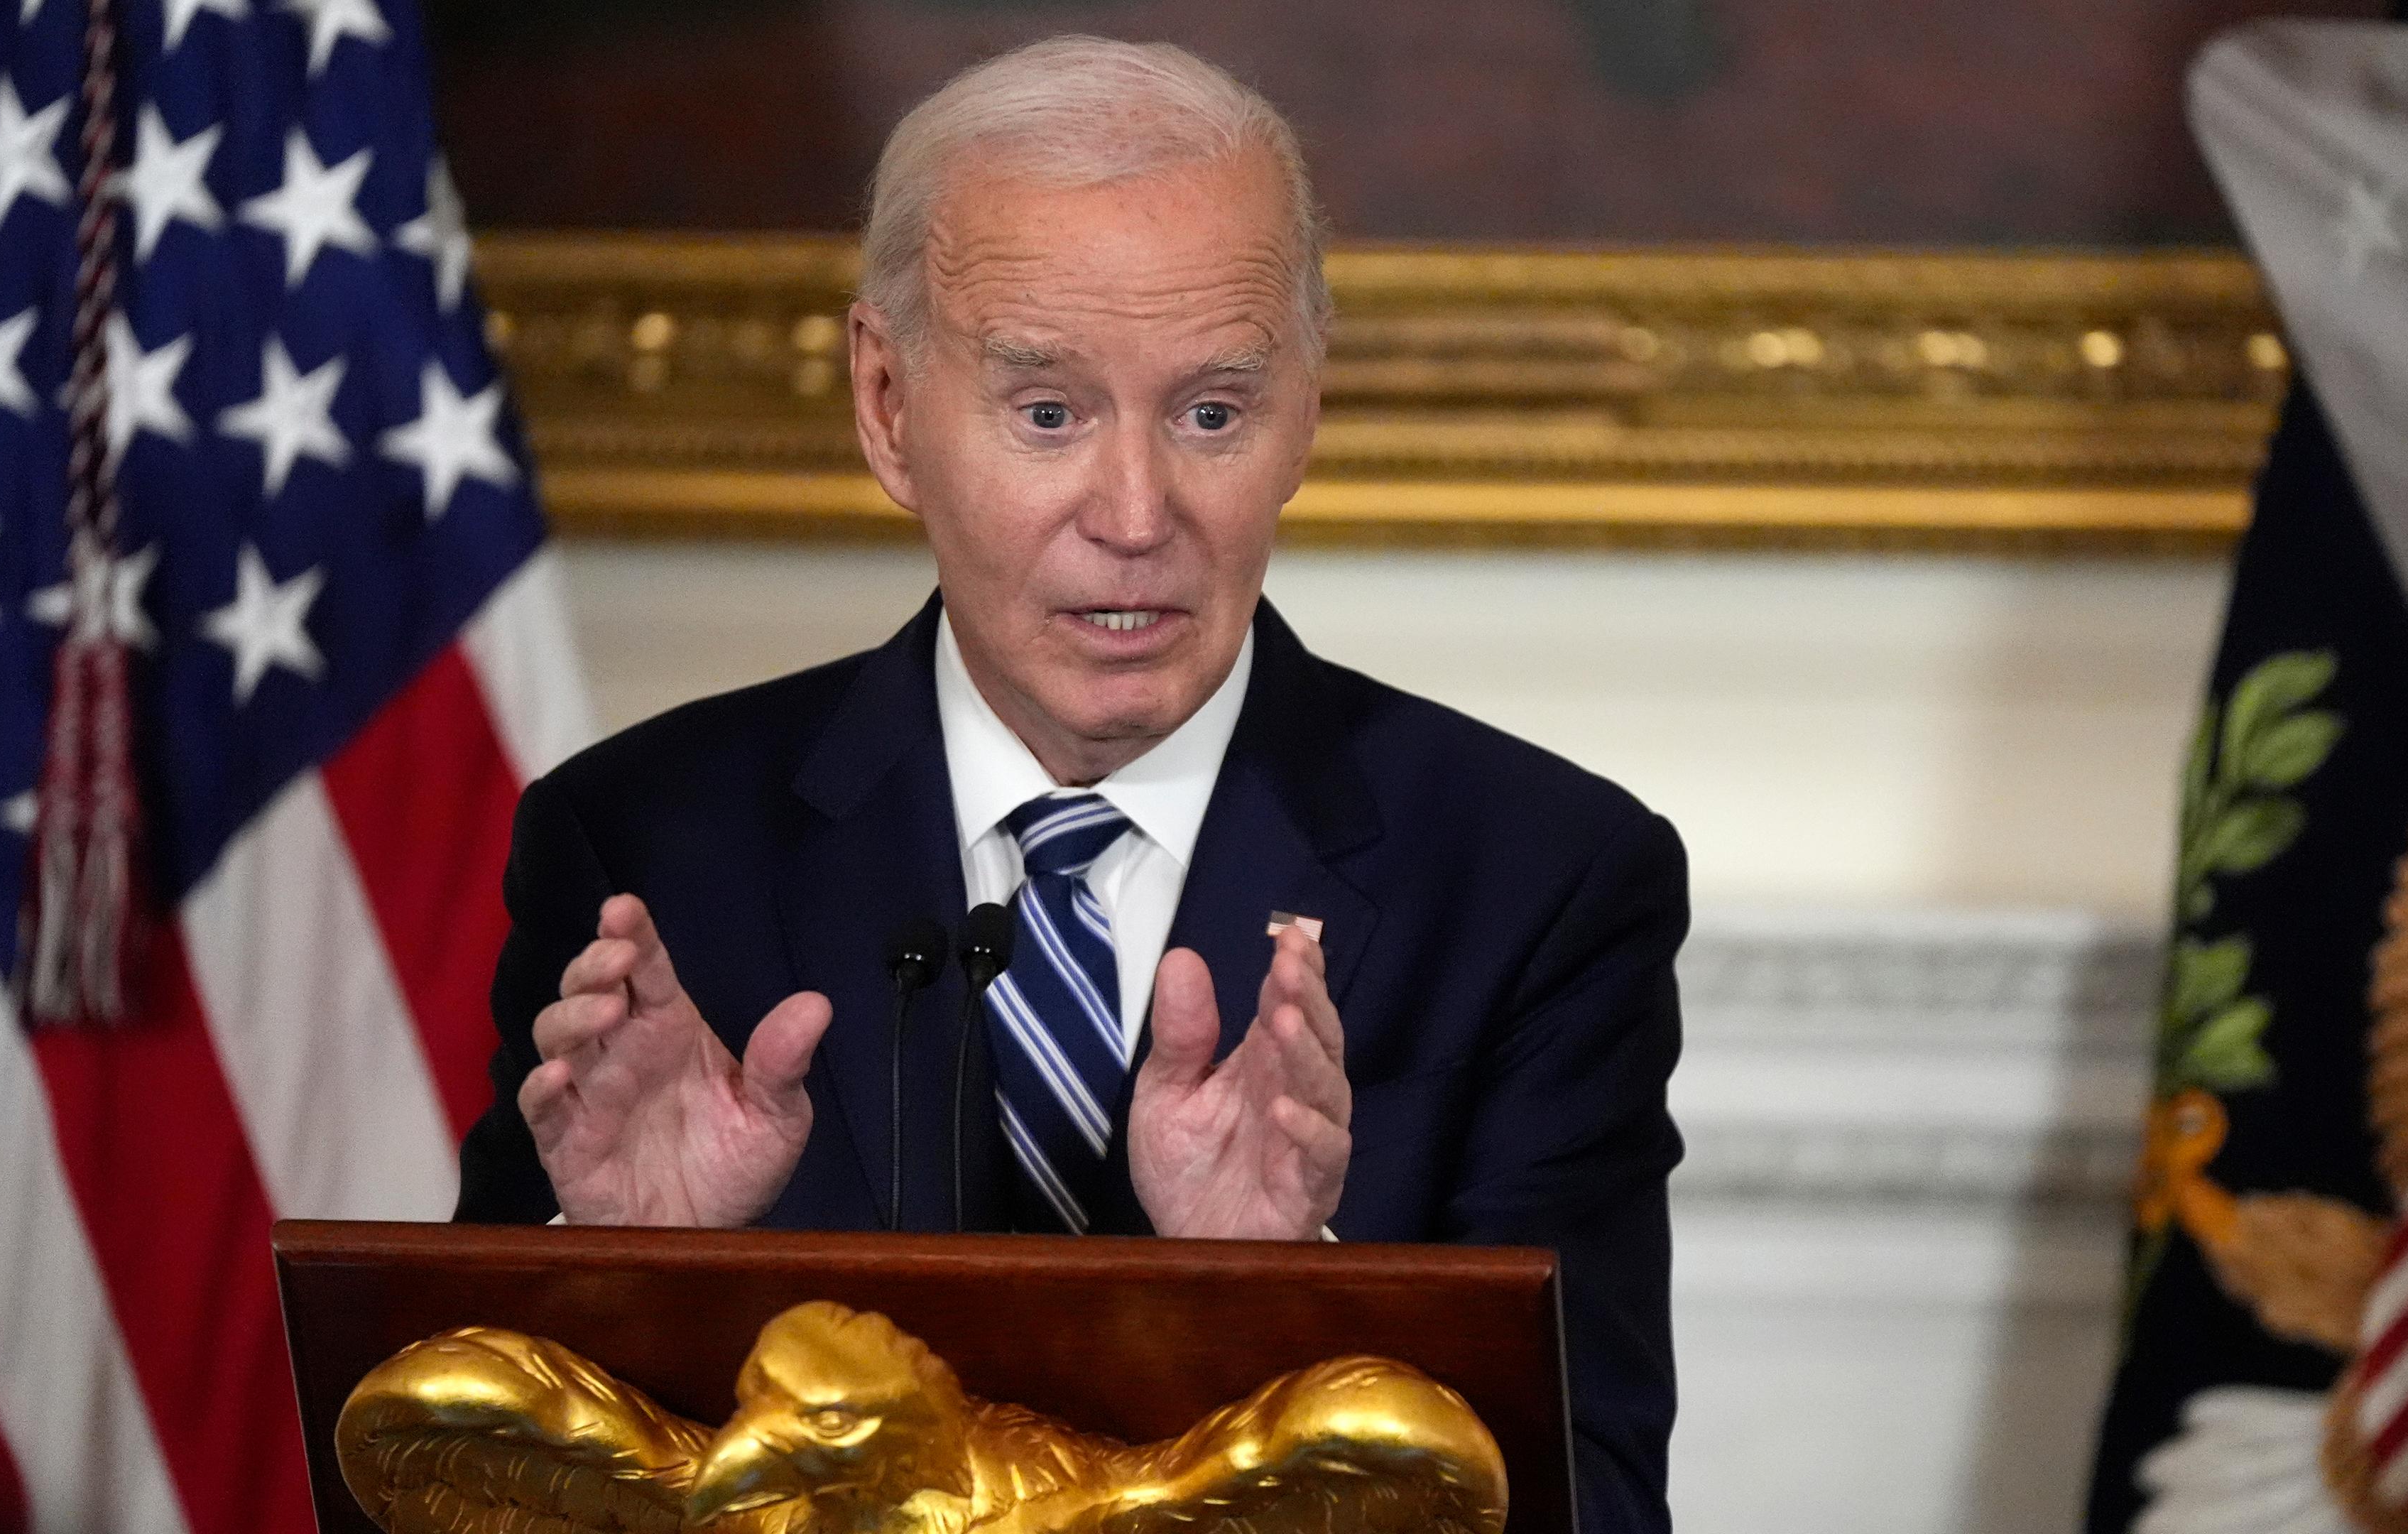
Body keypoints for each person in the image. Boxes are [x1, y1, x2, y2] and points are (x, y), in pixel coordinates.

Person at [453, 36, 1689, 1534]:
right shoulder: (643, 845)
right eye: (1048, 414)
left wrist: (1294, 1300)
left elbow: (1597, 1503)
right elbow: (458, 1484)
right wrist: (633, 1284)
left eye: (1211, 413)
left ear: (1306, 407)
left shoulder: (1541, 882)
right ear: (890, 403)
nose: (1135, 514)